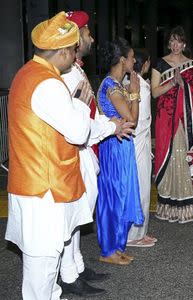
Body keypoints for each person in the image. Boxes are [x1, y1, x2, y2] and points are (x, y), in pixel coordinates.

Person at [5, 12, 92, 299]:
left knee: (45, 269)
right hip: (44, 190)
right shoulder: (49, 84)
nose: (74, 54)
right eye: (73, 49)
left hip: (35, 185)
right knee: (41, 271)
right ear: (64, 51)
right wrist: (78, 103)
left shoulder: (27, 73)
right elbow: (79, 133)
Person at [60, 10, 134, 297]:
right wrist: (109, 129)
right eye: (87, 32)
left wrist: (107, 127)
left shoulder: (76, 70)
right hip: (76, 150)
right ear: (76, 39)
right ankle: (68, 275)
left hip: (87, 148)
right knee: (73, 213)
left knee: (80, 212)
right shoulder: (68, 75)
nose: (91, 37)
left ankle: (76, 266)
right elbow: (76, 120)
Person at [151, 26, 193, 223]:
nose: (176, 45)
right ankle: (167, 205)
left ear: (184, 43)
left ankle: (184, 206)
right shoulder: (160, 63)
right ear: (169, 43)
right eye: (172, 41)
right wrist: (173, 83)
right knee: (167, 157)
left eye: (179, 41)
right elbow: (155, 92)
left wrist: (183, 84)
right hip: (165, 118)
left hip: (185, 121)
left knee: (182, 157)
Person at [96, 37, 144, 265]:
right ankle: (108, 251)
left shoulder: (116, 85)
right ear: (123, 60)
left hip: (122, 147)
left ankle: (117, 246)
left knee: (123, 196)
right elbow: (131, 119)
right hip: (114, 150)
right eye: (132, 57)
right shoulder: (111, 87)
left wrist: (131, 91)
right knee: (114, 198)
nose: (135, 60)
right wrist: (134, 93)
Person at [127, 49, 157, 245]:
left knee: (136, 187)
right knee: (141, 187)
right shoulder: (141, 88)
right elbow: (142, 120)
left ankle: (139, 231)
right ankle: (135, 235)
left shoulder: (129, 82)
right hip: (139, 143)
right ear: (145, 64)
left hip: (134, 141)